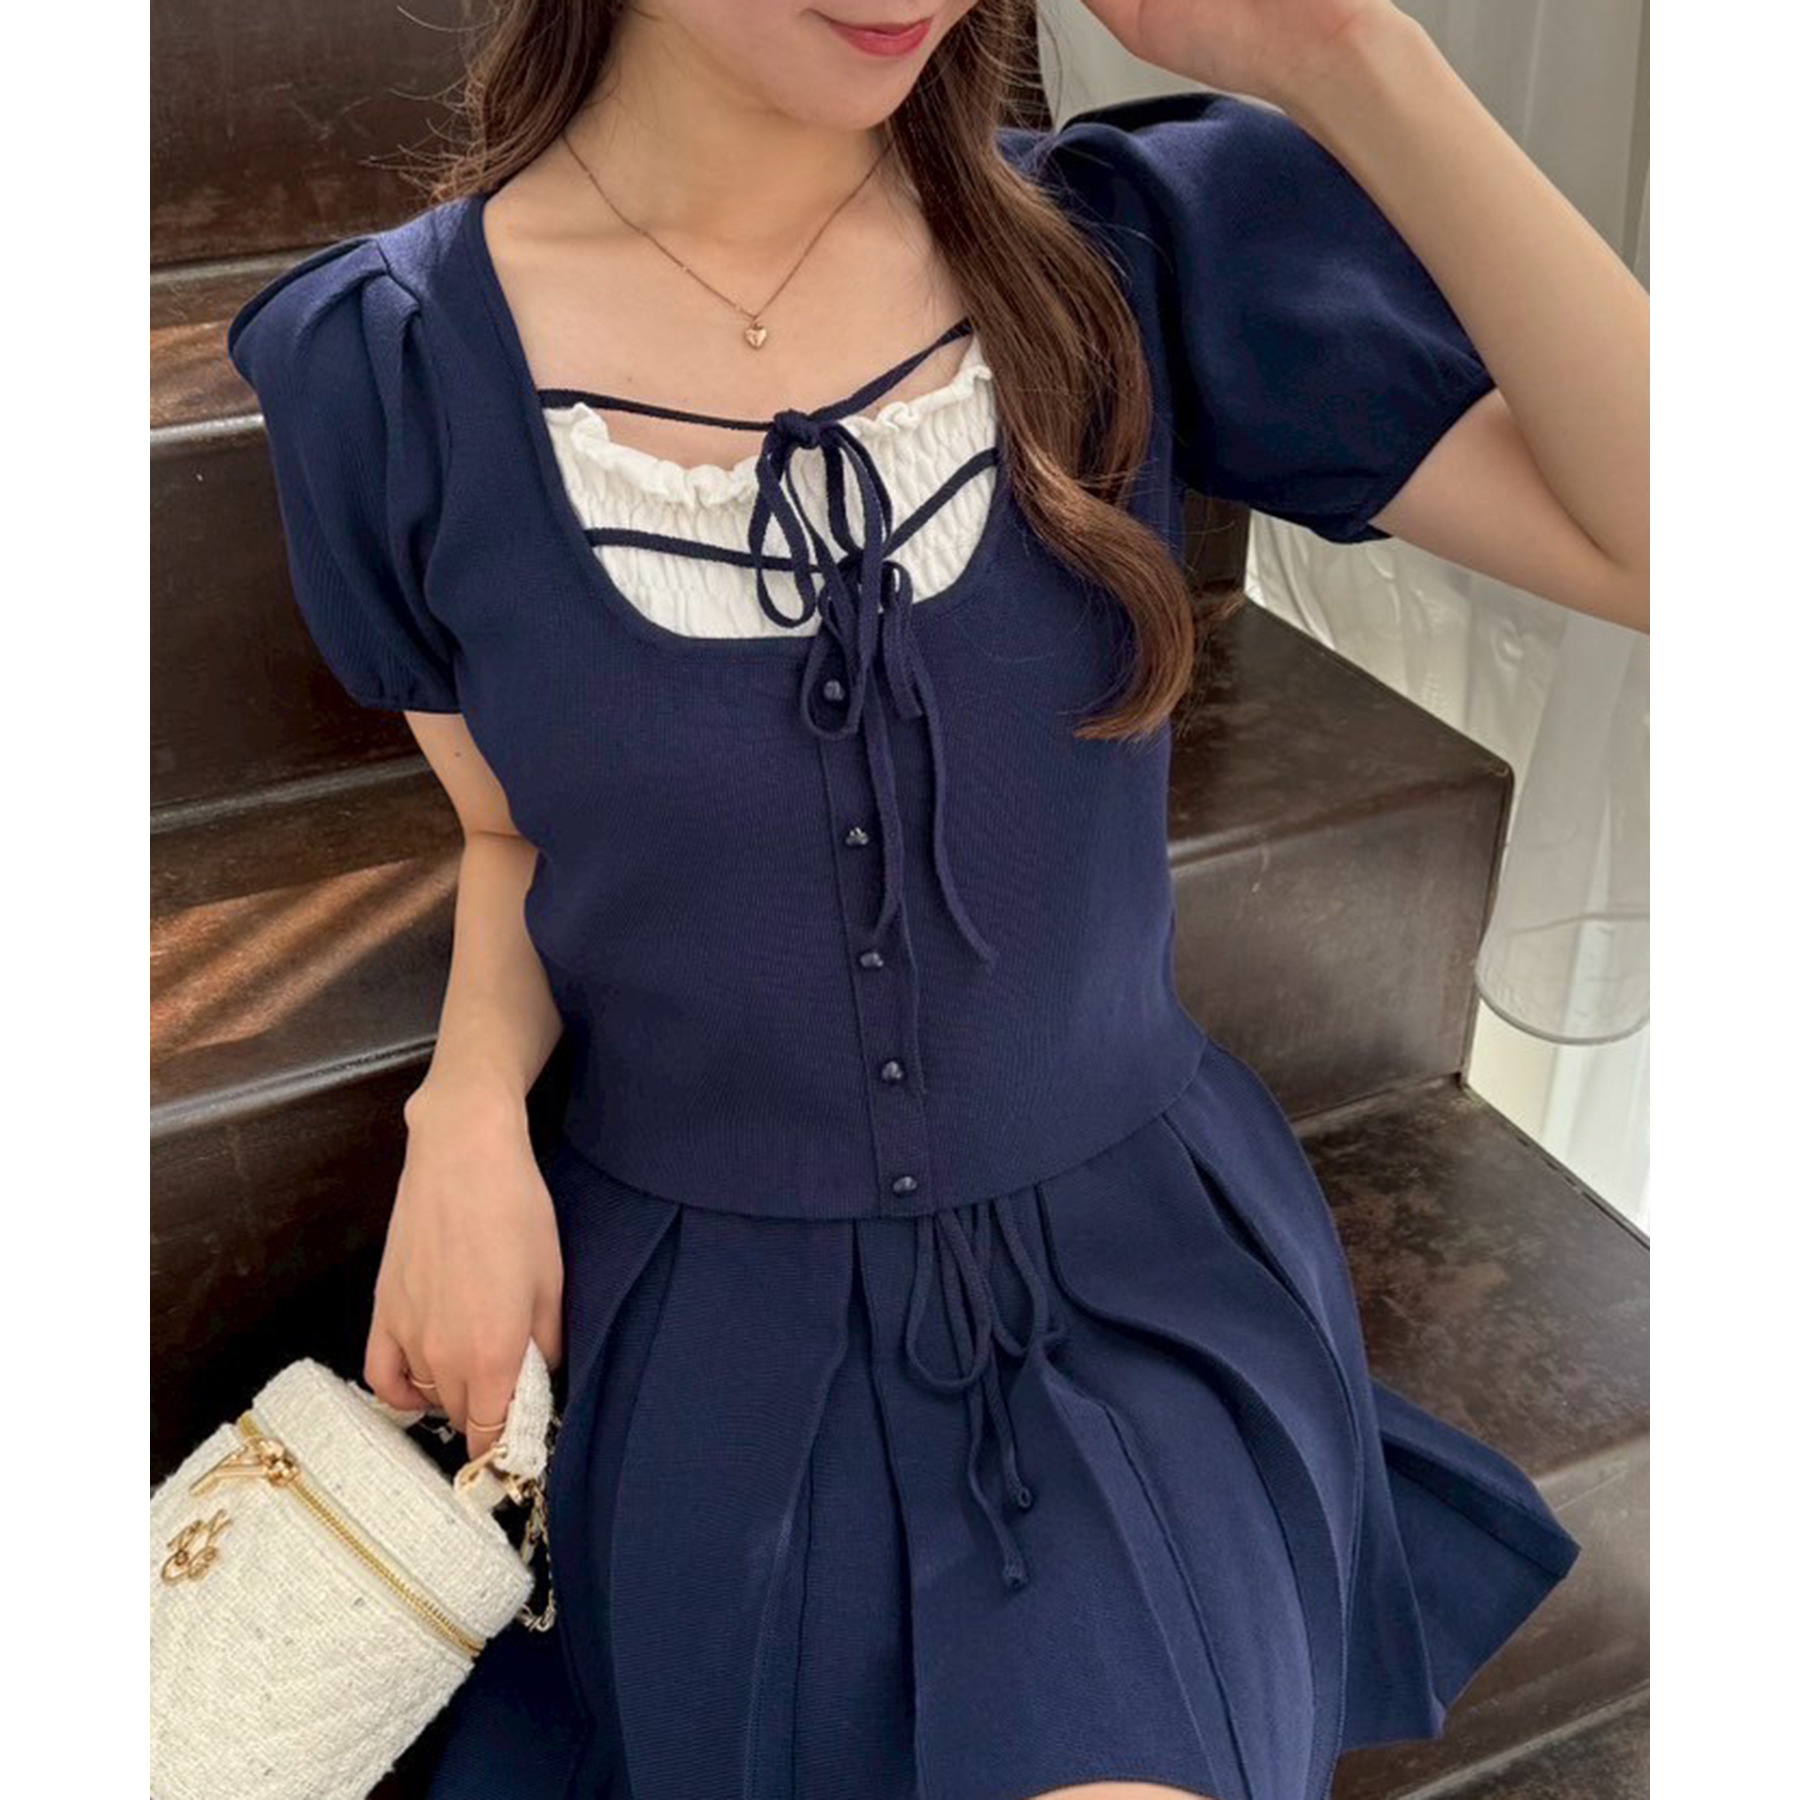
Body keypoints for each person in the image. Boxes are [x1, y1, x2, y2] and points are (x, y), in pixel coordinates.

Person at [225, 3, 1648, 1798]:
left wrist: (1354, 54)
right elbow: (516, 833)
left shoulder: (1126, 251)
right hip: (710, 1329)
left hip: (1138, 1306)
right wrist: (467, 1114)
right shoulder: (390, 372)